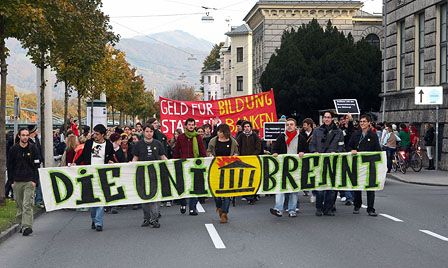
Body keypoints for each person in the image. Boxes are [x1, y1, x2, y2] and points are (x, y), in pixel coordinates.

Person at [73, 124, 117, 231]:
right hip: (90, 174)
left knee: (101, 198)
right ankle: (94, 218)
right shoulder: (89, 143)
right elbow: (83, 156)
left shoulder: (109, 145)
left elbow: (111, 156)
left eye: (97, 134)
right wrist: (75, 163)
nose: (95, 136)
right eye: (94, 133)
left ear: (103, 134)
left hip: (102, 175)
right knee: (92, 199)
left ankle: (99, 222)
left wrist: (111, 161)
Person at [309, 111, 344, 216]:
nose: (327, 119)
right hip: (320, 162)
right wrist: (313, 151)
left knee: (332, 188)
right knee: (320, 187)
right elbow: (312, 144)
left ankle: (328, 208)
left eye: (329, 117)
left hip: (333, 162)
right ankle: (319, 208)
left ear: (332, 119)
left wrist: (337, 152)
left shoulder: (339, 132)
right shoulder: (317, 131)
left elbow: (341, 146)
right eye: (325, 117)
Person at [269, 118, 307, 217]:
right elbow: (275, 149)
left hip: (296, 168)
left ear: (295, 126)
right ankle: (278, 209)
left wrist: (303, 153)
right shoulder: (281, 137)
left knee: (293, 190)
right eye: (287, 124)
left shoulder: (301, 138)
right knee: (280, 189)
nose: (289, 126)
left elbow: (306, 150)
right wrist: (275, 153)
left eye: (291, 124)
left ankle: (292, 210)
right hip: (283, 167)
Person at [132, 124, 168, 228]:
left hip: (155, 174)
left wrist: (170, 165)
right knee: (145, 197)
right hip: (142, 174)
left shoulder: (158, 144)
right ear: (143, 132)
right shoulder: (138, 144)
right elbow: (135, 158)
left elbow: (162, 156)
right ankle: (146, 218)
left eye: (151, 131)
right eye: (147, 131)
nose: (149, 133)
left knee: (155, 197)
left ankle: (154, 219)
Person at [7, 128, 40, 236]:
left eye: (27, 135)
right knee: (20, 204)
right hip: (17, 181)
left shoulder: (33, 148)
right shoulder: (13, 149)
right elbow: (10, 166)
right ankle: (21, 223)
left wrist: (35, 181)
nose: (25, 137)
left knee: (27, 204)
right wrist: (11, 181)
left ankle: (27, 226)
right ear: (19, 136)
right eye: (23, 135)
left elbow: (37, 165)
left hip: (29, 181)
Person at [347, 114, 381, 217]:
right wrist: (351, 150)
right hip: (357, 164)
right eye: (361, 121)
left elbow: (378, 150)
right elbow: (348, 145)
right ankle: (357, 205)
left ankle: (370, 209)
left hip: (369, 164)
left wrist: (383, 164)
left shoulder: (373, 135)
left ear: (369, 123)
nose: (362, 123)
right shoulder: (356, 134)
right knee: (357, 186)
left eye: (364, 121)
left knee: (370, 187)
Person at [173, 118, 207, 215]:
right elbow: (176, 151)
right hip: (183, 165)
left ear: (195, 126)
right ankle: (183, 203)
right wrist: (175, 162)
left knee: (194, 187)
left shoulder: (198, 137)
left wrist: (203, 161)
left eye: (193, 124)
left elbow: (202, 151)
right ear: (186, 126)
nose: (191, 126)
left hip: (195, 165)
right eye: (189, 124)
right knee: (183, 186)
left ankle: (192, 208)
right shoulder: (181, 137)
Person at [206, 123, 239, 223]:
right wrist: (210, 155)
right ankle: (219, 207)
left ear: (224, 132)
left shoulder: (233, 141)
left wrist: (235, 155)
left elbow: (237, 152)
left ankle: (224, 213)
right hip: (216, 169)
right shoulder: (213, 141)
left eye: (220, 131)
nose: (218, 133)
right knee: (216, 194)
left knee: (226, 194)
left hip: (228, 170)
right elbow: (208, 151)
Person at [237, 121, 262, 205]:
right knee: (245, 178)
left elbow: (258, 148)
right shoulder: (241, 136)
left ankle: (253, 195)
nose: (246, 128)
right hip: (244, 160)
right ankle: (248, 196)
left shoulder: (255, 136)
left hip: (253, 159)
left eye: (248, 126)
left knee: (253, 178)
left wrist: (253, 156)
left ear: (251, 127)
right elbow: (238, 147)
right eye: (245, 126)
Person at [28, 125, 44, 208]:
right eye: (36, 130)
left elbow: (40, 150)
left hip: (39, 163)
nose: (37, 131)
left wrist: (42, 160)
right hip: (32, 165)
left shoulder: (37, 139)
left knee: (40, 182)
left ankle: (38, 200)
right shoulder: (28, 141)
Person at [300, 118, 315, 200]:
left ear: (309, 125)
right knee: (304, 172)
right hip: (304, 155)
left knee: (313, 174)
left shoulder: (315, 133)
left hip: (312, 155)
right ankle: (305, 188)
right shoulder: (301, 134)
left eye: (305, 125)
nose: (303, 126)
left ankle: (314, 192)